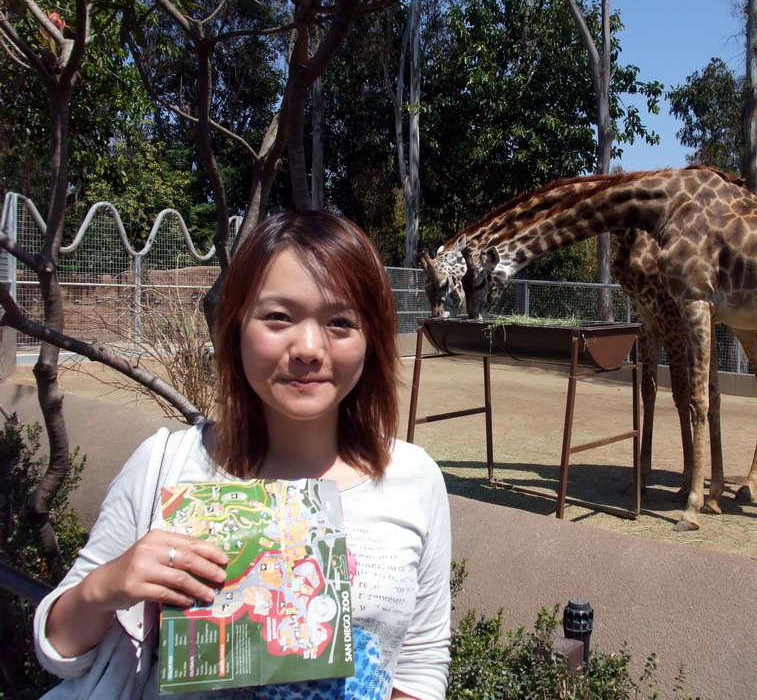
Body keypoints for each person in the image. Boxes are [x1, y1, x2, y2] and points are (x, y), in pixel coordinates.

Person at [34, 210, 452, 700]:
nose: (309, 348)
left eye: (340, 322)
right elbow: (57, 649)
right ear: (235, 326)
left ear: (371, 341)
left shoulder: (413, 477)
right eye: (278, 317)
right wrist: (108, 585)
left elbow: (421, 666)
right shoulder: (166, 464)